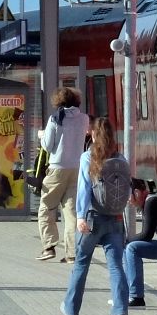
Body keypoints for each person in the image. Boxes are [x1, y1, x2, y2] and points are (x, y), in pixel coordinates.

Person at [62, 116, 133, 315]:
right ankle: (120, 312)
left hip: (92, 219)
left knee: (81, 264)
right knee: (115, 267)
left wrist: (81, 216)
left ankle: (71, 309)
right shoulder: (121, 159)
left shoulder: (88, 157)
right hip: (115, 219)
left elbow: (84, 189)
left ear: (94, 134)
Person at [36, 87, 90, 262]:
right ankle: (72, 253)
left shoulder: (55, 119)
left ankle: (49, 247)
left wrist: (42, 136)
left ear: (58, 101)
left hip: (57, 169)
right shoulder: (84, 119)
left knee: (46, 208)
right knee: (71, 212)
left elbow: (48, 146)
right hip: (77, 168)